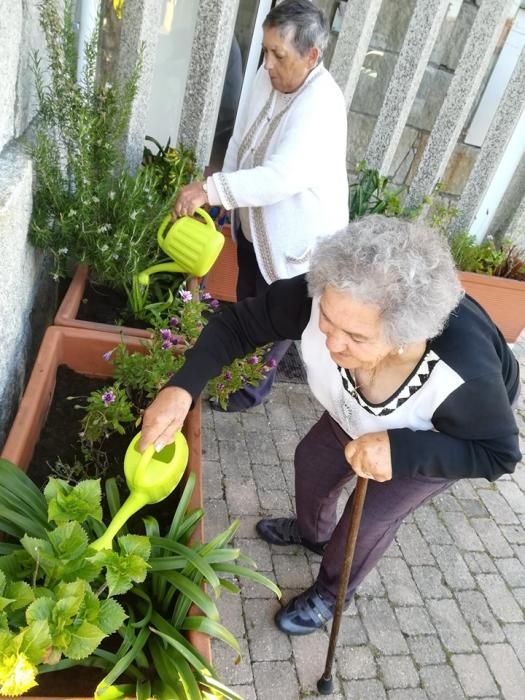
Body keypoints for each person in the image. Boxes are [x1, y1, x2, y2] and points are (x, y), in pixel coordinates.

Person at [139, 215, 521, 635]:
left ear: (402, 336)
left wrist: (401, 451)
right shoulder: (330, 295)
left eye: (356, 338)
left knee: (366, 521)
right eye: (327, 322)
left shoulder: (461, 373)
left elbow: (497, 453)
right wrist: (183, 387)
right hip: (353, 409)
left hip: (436, 436)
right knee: (313, 464)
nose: (333, 344)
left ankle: (331, 591)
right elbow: (238, 324)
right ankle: (311, 534)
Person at [173, 0, 349, 410]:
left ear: (312, 56)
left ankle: (247, 391)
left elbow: (281, 177)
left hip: (298, 244)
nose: (267, 63)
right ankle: (230, 373)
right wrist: (223, 204)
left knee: (273, 323)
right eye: (265, 51)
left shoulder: (322, 104)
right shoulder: (268, 76)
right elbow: (239, 139)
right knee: (249, 306)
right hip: (257, 231)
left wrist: (211, 190)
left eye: (278, 55)